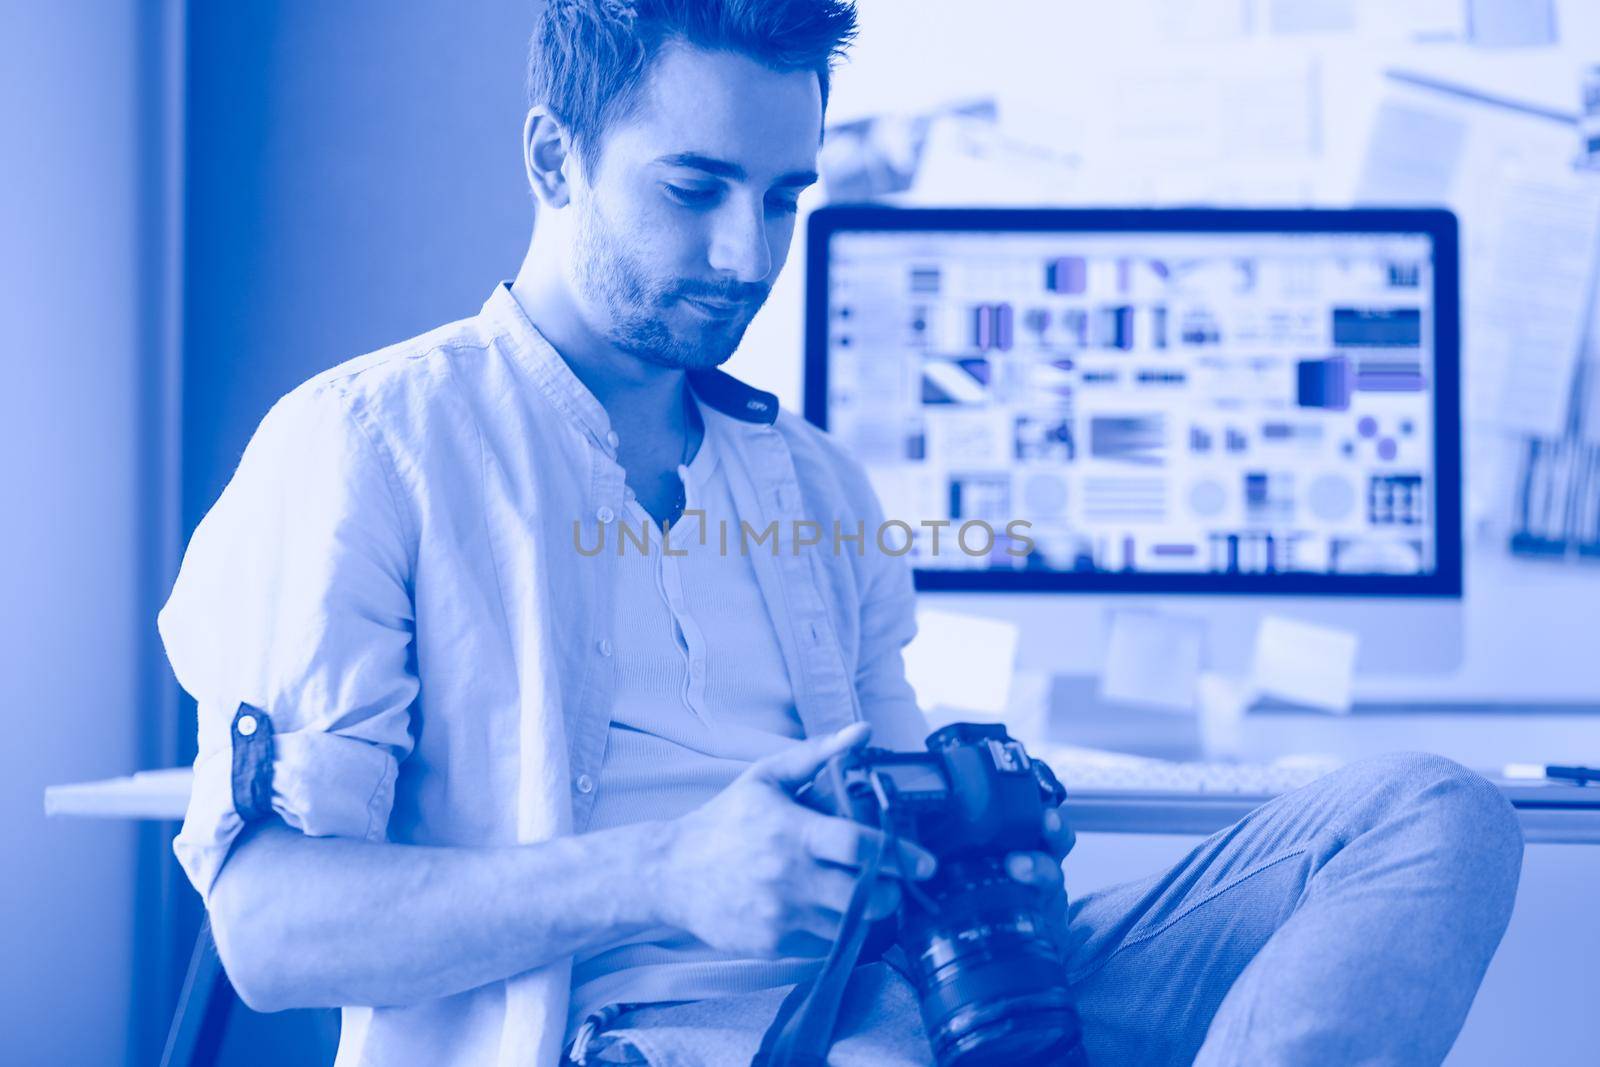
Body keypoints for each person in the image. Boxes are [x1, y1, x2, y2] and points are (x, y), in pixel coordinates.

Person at [158, 2, 1524, 1064]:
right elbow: (269, 931)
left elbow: (908, 822)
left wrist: (973, 834)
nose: (748, 256)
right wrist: (667, 874)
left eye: (783, 197)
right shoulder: (369, 448)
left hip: (909, 1008)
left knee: (1431, 817)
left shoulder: (814, 485)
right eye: (692, 192)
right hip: (622, 1034)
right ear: (551, 156)